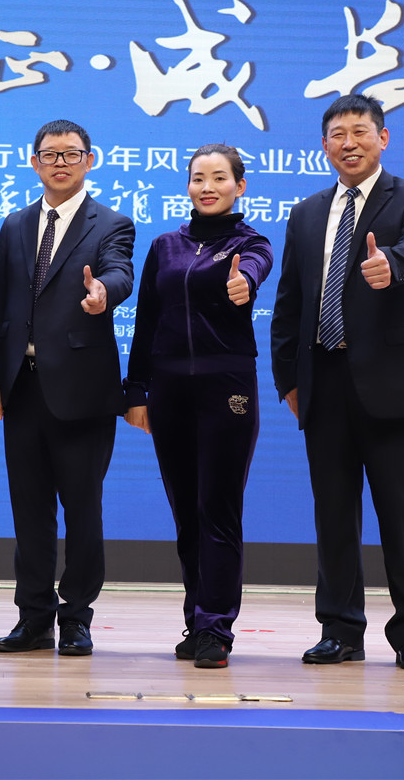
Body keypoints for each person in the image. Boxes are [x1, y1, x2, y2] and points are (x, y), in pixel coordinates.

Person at [270, 93, 404, 672]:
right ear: (324, 145)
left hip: (393, 383)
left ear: (383, 138)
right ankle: (340, 629)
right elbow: (290, 301)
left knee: (403, 514)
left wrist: (393, 263)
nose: (348, 143)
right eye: (337, 135)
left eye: (360, 132)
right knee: (333, 514)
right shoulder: (306, 212)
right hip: (323, 381)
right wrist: (288, 378)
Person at [0, 120, 134, 657]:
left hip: (82, 391)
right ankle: (33, 618)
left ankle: (76, 617)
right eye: (50, 155)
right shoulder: (15, 225)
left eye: (71, 154)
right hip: (21, 388)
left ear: (90, 160)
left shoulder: (111, 223)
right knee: (29, 511)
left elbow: (120, 273)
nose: (61, 163)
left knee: (82, 509)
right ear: (34, 162)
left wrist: (103, 293)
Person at [122, 144, 273, 669]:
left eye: (219, 177)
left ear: (239, 186)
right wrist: (135, 390)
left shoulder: (250, 243)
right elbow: (147, 320)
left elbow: (256, 267)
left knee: (218, 508)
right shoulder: (165, 246)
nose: (207, 187)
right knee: (186, 512)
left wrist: (244, 281)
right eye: (198, 178)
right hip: (168, 390)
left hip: (226, 388)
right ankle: (197, 619)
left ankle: (216, 627)